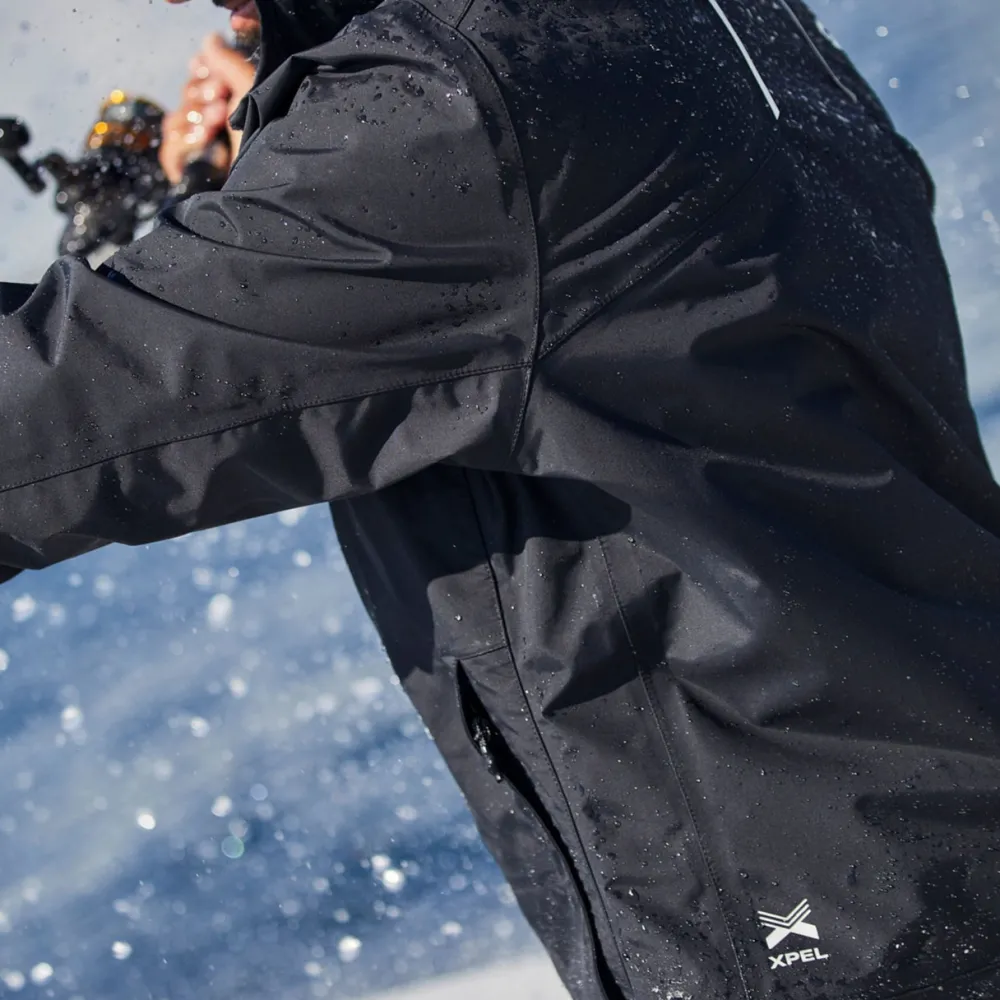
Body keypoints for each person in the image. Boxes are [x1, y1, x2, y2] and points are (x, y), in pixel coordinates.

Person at [2, 1, 1000, 997]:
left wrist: (291, 173)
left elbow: (46, 426)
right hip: (929, 837)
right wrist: (267, 163)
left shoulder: (455, 105)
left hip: (831, 935)